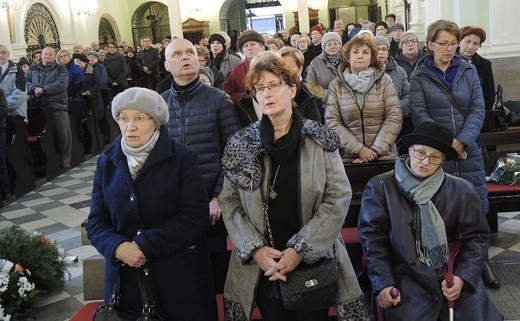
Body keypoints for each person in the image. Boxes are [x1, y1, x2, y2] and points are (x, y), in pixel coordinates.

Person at [218, 51, 370, 321]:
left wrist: (300, 250)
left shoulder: (319, 139)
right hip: (264, 265)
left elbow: (338, 197)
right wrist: (256, 249)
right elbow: (230, 202)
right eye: (259, 88)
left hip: (314, 260)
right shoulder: (241, 144)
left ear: (292, 89)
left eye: (274, 85)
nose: (266, 94)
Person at [86, 87, 217, 320]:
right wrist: (116, 247)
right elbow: (96, 221)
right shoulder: (107, 162)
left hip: (178, 279)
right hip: (125, 280)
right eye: (123, 118)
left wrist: (145, 244)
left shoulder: (182, 158)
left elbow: (195, 219)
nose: (130, 126)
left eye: (139, 118)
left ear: (155, 122)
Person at [358, 121, 504, 321]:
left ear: (443, 160)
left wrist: (463, 277)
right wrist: (383, 283)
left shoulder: (461, 190)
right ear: (409, 150)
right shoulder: (381, 186)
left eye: (435, 157)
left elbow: (476, 237)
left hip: (451, 275)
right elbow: (373, 242)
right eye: (420, 152)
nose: (425, 162)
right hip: (404, 278)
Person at [409, 19, 499, 288]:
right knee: (443, 204)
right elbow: (419, 114)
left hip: (467, 149)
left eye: (453, 44)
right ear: (430, 45)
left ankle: (480, 260)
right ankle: (446, 261)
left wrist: (462, 141)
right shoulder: (420, 76)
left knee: (475, 202)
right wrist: (447, 145)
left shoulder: (468, 70)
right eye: (443, 44)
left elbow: (477, 109)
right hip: (439, 153)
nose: (450, 49)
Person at [161, 38, 241, 293]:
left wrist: (219, 196)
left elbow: (234, 152)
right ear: (166, 65)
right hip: (175, 204)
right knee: (184, 276)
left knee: (215, 272)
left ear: (198, 59)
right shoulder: (160, 105)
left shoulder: (219, 100)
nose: (185, 58)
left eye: (190, 53)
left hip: (211, 204)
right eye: (177, 54)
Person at [325, 33, 402, 164]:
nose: (360, 55)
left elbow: (394, 117)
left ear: (372, 58)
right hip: (350, 158)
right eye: (355, 52)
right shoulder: (336, 85)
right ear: (348, 57)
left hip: (384, 156)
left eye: (365, 52)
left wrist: (376, 151)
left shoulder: (384, 81)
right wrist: (359, 150)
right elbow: (332, 122)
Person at [26, 46, 72, 170]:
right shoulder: (33, 68)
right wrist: (34, 88)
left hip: (57, 105)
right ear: (41, 54)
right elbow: (27, 82)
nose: (47, 56)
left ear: (54, 56)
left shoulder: (61, 69)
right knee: (42, 136)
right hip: (38, 106)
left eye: (50, 54)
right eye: (45, 54)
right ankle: (46, 162)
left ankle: (65, 160)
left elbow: (61, 85)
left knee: (63, 133)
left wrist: (43, 90)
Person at [459, 26, 495, 110]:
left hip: (477, 111)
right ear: (459, 41)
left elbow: (489, 95)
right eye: (467, 42)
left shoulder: (485, 64)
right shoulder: (449, 61)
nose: (470, 47)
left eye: (475, 44)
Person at [224, 29, 265, 102]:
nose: (249, 48)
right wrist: (244, 97)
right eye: (245, 46)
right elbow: (229, 93)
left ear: (262, 47)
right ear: (242, 51)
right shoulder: (236, 72)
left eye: (253, 44)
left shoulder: (273, 65)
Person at [374, 36, 410, 116]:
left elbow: (407, 95)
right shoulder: (365, 71)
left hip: (396, 116)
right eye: (377, 49)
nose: (381, 52)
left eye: (384, 49)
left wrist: (396, 108)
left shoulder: (399, 71)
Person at [305, 32, 343, 106]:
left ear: (341, 45)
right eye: (329, 44)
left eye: (336, 43)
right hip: (325, 105)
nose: (332, 47)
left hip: (347, 104)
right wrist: (330, 96)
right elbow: (310, 86)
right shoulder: (315, 63)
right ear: (323, 47)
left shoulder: (348, 60)